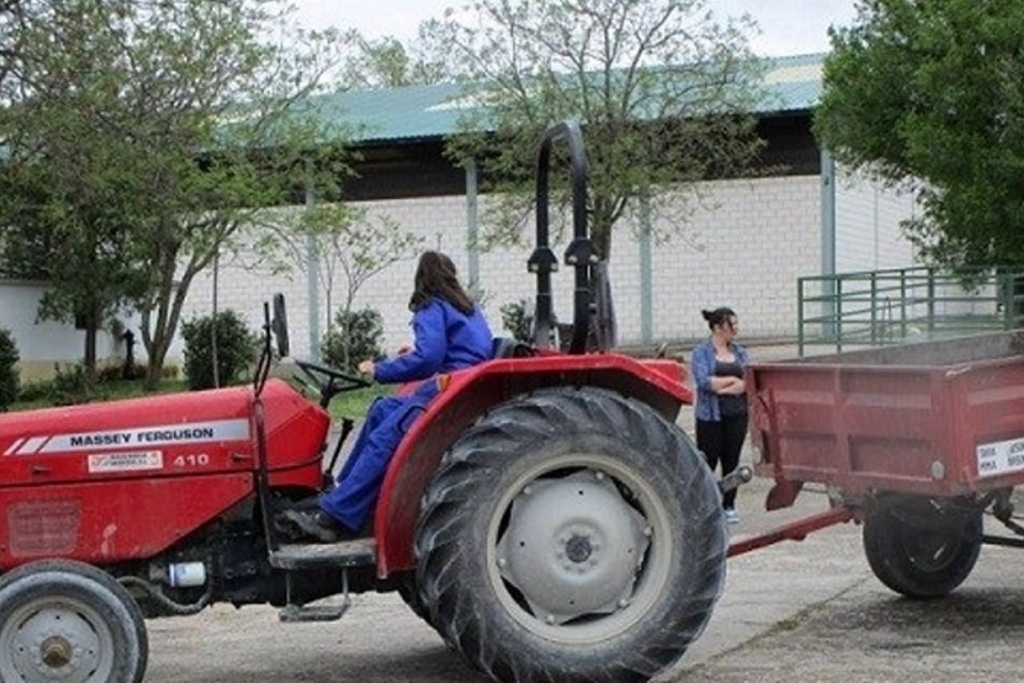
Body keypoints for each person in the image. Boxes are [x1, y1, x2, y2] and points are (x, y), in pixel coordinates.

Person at [281, 251, 494, 542]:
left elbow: (429, 358)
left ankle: (334, 517)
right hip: (459, 386)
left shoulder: (431, 306)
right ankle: (345, 492)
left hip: (447, 389)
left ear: (422, 278)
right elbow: (455, 350)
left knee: (386, 437)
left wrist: (379, 369)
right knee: (383, 408)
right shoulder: (468, 309)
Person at [690, 307, 750, 524]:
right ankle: (703, 504)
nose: (735, 328)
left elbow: (748, 382)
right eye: (731, 325)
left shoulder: (741, 352)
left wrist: (725, 385)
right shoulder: (701, 353)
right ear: (717, 327)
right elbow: (705, 382)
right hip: (711, 417)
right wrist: (732, 383)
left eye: (736, 324)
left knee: (731, 460)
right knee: (709, 460)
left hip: (737, 415)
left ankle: (729, 504)